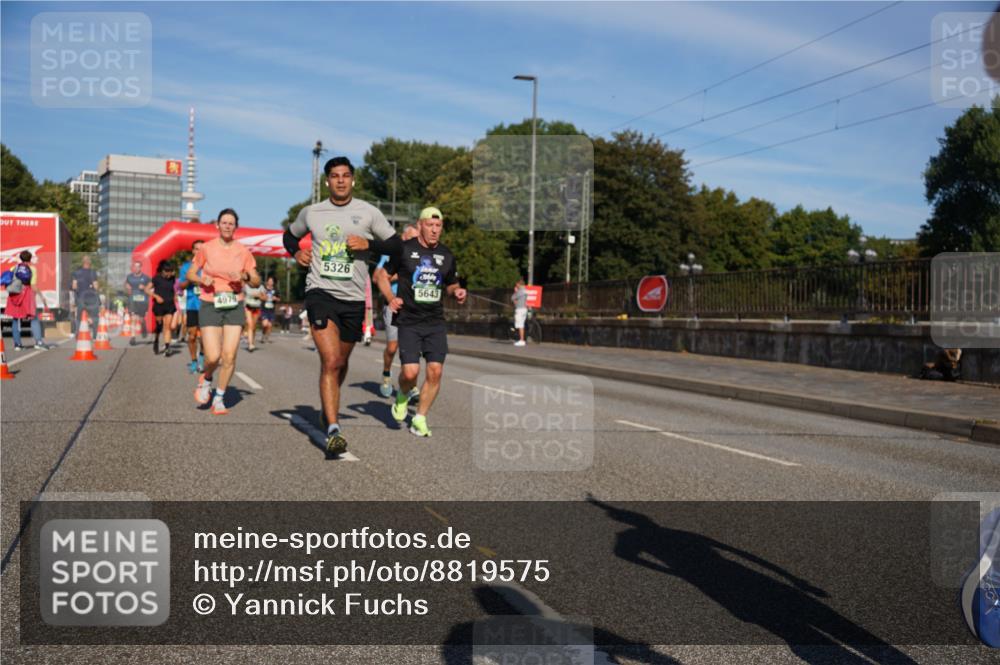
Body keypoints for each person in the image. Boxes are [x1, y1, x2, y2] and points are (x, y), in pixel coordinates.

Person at [284, 156, 400, 456]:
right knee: (331, 360)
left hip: (353, 299)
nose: (340, 180)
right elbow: (289, 235)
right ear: (327, 181)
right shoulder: (312, 212)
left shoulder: (369, 212)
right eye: (335, 176)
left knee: (341, 362)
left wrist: (369, 245)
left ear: (353, 180)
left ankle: (328, 408)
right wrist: (296, 252)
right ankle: (333, 429)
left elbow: (396, 245)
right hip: (320, 292)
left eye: (345, 175)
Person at [374, 207, 466, 437]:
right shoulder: (404, 249)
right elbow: (381, 276)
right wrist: (391, 298)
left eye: (438, 226)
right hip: (409, 320)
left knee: (435, 372)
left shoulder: (446, 254)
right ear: (420, 225)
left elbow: (451, 283)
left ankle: (420, 418)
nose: (434, 230)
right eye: (430, 225)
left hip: (435, 321)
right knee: (410, 373)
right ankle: (402, 395)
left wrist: (457, 291)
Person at [189, 208, 261, 415]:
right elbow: (191, 273)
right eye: (224, 222)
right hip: (210, 302)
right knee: (213, 357)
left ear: (236, 227)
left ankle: (219, 398)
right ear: (217, 225)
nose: (228, 226)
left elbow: (256, 281)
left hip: (234, 303)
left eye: (231, 223)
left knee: (229, 356)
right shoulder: (207, 248)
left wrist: (244, 277)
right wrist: (202, 279)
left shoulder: (243, 251)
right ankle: (206, 378)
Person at [373, 223, 420, 398]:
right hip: (394, 305)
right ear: (403, 237)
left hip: (414, 307)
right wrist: (402, 273)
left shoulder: (421, 255)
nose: (415, 241)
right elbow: (376, 277)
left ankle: (411, 384)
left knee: (412, 349)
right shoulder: (391, 254)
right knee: (392, 348)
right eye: (412, 238)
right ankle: (386, 374)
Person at [4, 250, 52, 350]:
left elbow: (9, 282)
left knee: (15, 319)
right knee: (33, 318)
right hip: (26, 295)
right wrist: (42, 296)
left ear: (20, 258)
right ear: (30, 259)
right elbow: (33, 286)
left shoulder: (13, 268)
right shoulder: (32, 269)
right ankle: (38, 342)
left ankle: (17, 345)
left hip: (14, 295)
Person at [178, 240, 205, 373]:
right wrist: (191, 277)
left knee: (205, 337)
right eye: (196, 249)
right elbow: (181, 286)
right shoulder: (186, 267)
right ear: (193, 251)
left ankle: (202, 358)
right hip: (192, 305)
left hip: (207, 305)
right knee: (192, 336)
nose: (199, 251)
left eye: (202, 249)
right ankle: (194, 361)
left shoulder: (209, 266)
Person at [147, 260, 178, 356]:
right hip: (159, 306)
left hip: (169, 305)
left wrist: (175, 296)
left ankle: (167, 347)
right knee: (159, 326)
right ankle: (156, 340)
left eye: (170, 271)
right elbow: (146, 289)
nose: (169, 273)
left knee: (167, 326)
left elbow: (173, 289)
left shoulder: (172, 278)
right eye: (167, 271)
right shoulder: (156, 278)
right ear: (162, 271)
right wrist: (156, 296)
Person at [71, 254, 100, 333]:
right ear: (89, 263)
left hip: (81, 298)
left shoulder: (76, 273)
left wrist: (78, 291)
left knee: (79, 317)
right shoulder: (93, 273)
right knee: (94, 317)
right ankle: (95, 335)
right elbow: (96, 286)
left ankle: (77, 334)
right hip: (91, 298)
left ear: (83, 262)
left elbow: (74, 286)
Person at [124, 261, 151, 345]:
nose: (136, 268)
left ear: (140, 268)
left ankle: (144, 327)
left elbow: (151, 287)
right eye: (134, 266)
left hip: (142, 300)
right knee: (133, 318)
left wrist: (145, 287)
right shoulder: (129, 277)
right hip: (132, 299)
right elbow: (126, 284)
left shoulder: (146, 278)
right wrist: (127, 287)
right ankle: (133, 337)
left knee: (141, 318)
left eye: (138, 266)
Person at [243, 278, 264, 352]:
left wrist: (259, 296)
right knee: (250, 324)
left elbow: (265, 298)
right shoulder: (246, 286)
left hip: (257, 307)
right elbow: (241, 295)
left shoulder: (261, 287)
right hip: (248, 307)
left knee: (253, 326)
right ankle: (250, 344)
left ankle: (252, 341)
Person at [260, 276, 279, 343]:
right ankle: (263, 334)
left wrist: (275, 298)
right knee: (265, 324)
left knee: (270, 325)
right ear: (267, 281)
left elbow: (279, 299)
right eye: (269, 281)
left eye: (272, 281)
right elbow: (260, 297)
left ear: (273, 282)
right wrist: (264, 297)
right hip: (264, 309)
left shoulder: (276, 290)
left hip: (271, 310)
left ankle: (267, 337)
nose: (270, 282)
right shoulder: (263, 289)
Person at [512, 278, 529, 347]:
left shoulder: (520, 291)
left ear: (519, 284)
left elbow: (512, 298)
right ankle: (521, 339)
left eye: (517, 284)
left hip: (520, 309)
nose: (516, 286)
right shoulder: (525, 290)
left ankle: (521, 340)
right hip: (524, 309)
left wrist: (515, 291)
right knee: (521, 324)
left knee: (520, 325)